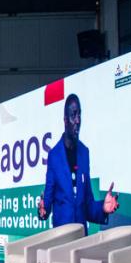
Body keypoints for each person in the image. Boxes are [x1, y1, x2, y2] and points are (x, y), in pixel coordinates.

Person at [37, 93, 118, 228]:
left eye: (79, 115)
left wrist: (103, 208)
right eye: (73, 115)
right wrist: (42, 211)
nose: (78, 120)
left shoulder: (84, 153)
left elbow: (88, 205)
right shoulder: (54, 156)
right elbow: (47, 205)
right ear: (65, 120)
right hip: (62, 238)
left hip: (81, 238)